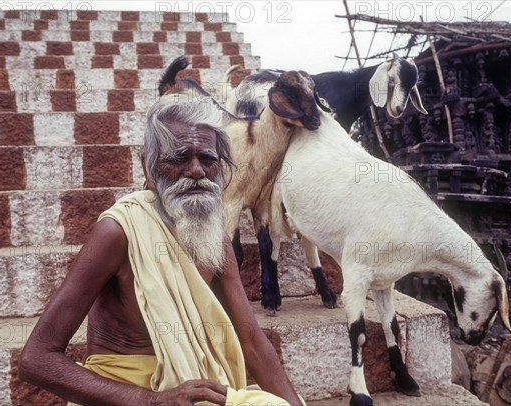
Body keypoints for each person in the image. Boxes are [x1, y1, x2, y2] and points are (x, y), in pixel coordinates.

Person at [19, 95, 304, 405]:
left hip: (196, 391)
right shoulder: (119, 230)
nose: (195, 171)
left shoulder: (215, 240)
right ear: (149, 164)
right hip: (123, 395)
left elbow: (254, 345)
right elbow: (36, 358)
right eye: (179, 157)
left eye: (207, 159)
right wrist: (150, 400)